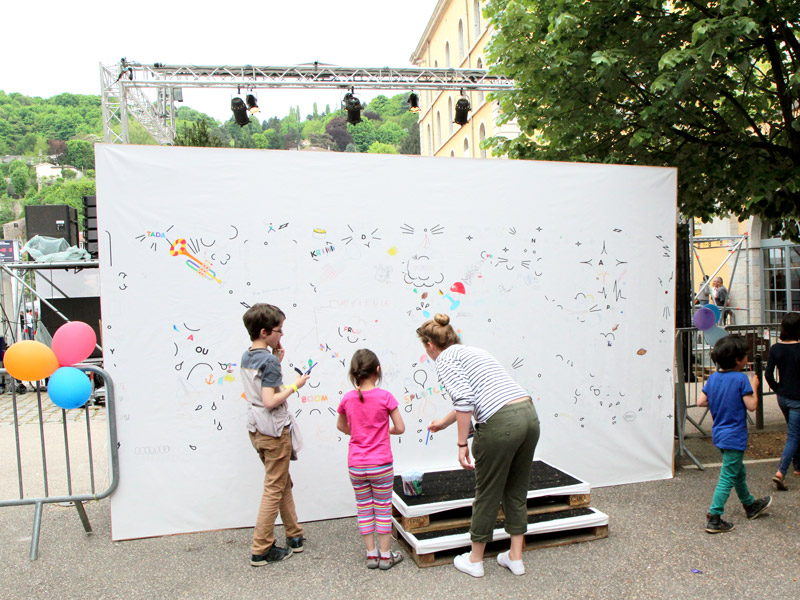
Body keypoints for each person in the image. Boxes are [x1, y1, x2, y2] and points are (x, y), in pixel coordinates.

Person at [417, 314, 539, 578]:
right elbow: (478, 395)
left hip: (501, 425)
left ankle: (475, 559)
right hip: (528, 415)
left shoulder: (445, 360)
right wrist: (444, 423)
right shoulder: (474, 352)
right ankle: (515, 558)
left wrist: (462, 443)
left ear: (430, 345)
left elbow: (464, 398)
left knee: (487, 492)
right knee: (516, 489)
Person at [240, 303, 310, 566]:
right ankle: (261, 547)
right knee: (274, 487)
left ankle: (294, 535)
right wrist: (295, 384)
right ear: (264, 331)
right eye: (279, 331)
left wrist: (276, 362)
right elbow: (270, 400)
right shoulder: (268, 361)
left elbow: (259, 391)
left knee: (281, 482)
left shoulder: (249, 356)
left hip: (256, 429)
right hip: (274, 431)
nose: (282, 335)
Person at [337, 349, 406, 570]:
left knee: (364, 508)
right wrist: (384, 431)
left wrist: (358, 432)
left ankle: (371, 555)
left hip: (356, 464)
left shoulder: (347, 398)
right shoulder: (385, 397)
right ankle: (386, 556)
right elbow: (401, 428)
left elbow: (341, 426)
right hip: (381, 464)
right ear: (377, 370)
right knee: (383, 508)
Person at [697, 335, 771, 533]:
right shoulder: (741, 379)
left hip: (719, 434)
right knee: (728, 475)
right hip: (735, 436)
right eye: (744, 355)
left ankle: (749, 504)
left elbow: (700, 402)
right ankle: (714, 516)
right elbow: (752, 406)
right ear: (738, 361)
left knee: (738, 472)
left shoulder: (713, 378)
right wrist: (755, 387)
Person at [764, 312, 800, 491]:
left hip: (783, 397)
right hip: (797, 398)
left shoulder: (776, 349)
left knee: (795, 431)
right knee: (794, 435)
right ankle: (781, 472)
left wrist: (777, 388)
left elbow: (768, 374)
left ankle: (797, 466)